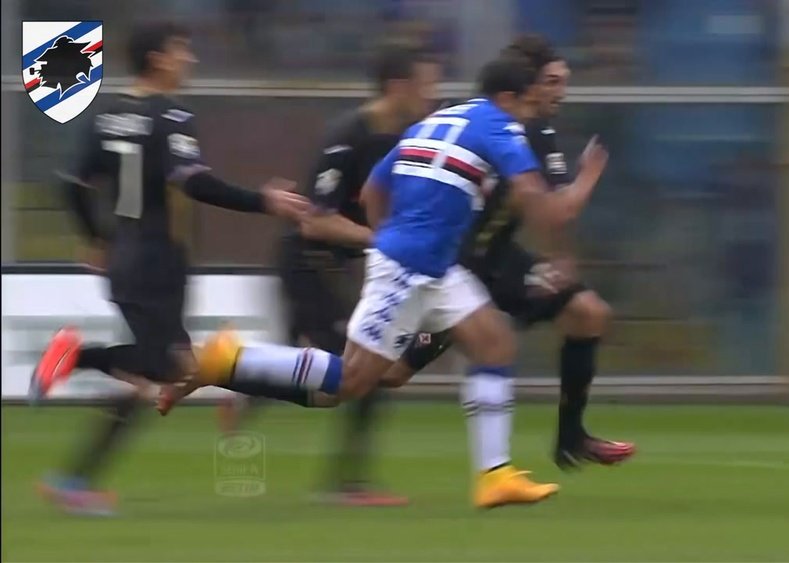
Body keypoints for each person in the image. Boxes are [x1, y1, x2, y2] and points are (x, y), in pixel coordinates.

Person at [178, 54, 609, 508]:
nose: (528, 116)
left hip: (434, 264)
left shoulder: (438, 120)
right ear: (507, 99)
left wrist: (388, 236)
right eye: (525, 105)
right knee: (351, 381)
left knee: (494, 343)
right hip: (413, 265)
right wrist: (581, 192)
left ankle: (495, 475)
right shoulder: (500, 127)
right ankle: (230, 360)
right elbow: (542, 205)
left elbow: (372, 192)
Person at [31, 21, 309, 516]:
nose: (191, 60)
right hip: (157, 261)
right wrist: (264, 201)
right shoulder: (172, 116)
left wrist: (96, 239)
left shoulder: (108, 113)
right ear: (159, 59)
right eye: (183, 50)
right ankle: (76, 356)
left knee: (155, 378)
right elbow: (196, 183)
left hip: (125, 257)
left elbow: (72, 184)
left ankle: (75, 480)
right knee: (165, 366)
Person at [383, 35, 635, 470]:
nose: (560, 91)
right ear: (528, 85)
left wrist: (559, 258)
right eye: (552, 81)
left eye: (564, 81)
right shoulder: (516, 127)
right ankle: (268, 376)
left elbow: (545, 212)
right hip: (455, 267)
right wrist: (590, 175)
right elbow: (560, 209)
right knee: (389, 372)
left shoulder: (523, 125)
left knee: (587, 313)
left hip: (498, 259)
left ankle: (570, 438)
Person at [219, 43, 441, 507]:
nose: (433, 95)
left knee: (323, 367)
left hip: (334, 267)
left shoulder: (407, 139)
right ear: (398, 87)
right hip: (306, 264)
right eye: (426, 86)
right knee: (364, 369)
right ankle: (348, 484)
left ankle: (245, 384)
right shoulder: (348, 135)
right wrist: (381, 241)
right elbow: (315, 220)